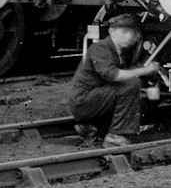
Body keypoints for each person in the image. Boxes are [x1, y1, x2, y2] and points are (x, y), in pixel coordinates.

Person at [69, 12, 161, 147]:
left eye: (132, 33)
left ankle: (91, 127)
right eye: (125, 32)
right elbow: (115, 76)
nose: (130, 37)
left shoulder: (119, 52)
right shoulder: (101, 49)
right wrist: (144, 70)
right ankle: (115, 136)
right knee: (131, 85)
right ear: (113, 32)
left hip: (96, 99)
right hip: (83, 102)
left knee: (135, 91)